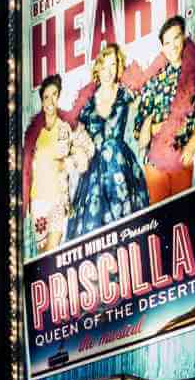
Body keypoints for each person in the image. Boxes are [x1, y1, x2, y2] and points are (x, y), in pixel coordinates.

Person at [62, 43, 149, 240]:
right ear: (98, 69)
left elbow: (146, 108)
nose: (109, 71)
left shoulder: (126, 93)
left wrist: (147, 126)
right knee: (94, 231)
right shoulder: (86, 105)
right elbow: (76, 138)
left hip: (120, 166)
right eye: (105, 66)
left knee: (128, 229)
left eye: (114, 65)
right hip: (94, 174)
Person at [132, 15, 195, 204]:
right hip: (156, 158)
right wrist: (154, 128)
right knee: (160, 216)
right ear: (162, 47)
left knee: (181, 213)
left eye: (176, 38)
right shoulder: (154, 81)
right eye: (167, 42)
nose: (172, 46)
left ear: (184, 38)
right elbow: (139, 125)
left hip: (182, 154)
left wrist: (193, 141)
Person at [21, 74, 94, 256]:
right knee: (42, 254)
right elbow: (26, 169)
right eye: (46, 96)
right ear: (42, 101)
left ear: (59, 96)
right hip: (38, 200)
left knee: (52, 249)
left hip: (57, 200)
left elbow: (88, 148)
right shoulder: (33, 133)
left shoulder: (67, 126)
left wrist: (68, 162)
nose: (50, 100)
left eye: (54, 94)